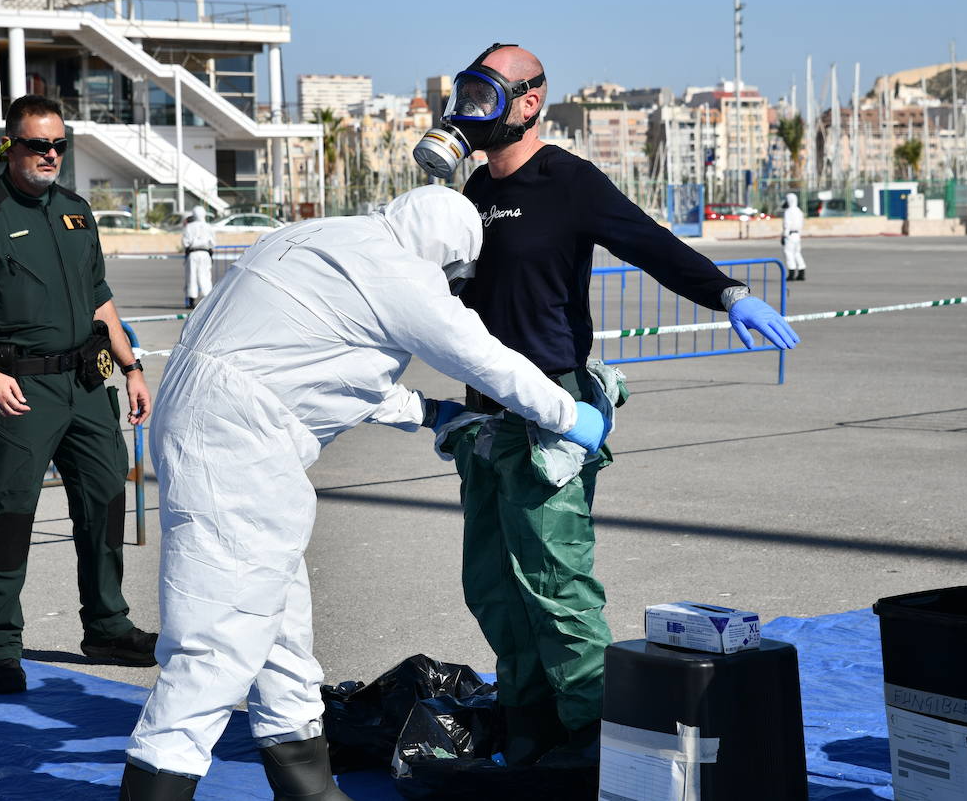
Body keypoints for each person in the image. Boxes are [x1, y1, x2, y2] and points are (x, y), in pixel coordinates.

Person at [119, 185, 611, 800]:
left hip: (215, 417)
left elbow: (325, 362)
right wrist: (570, 415)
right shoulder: (402, 274)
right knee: (218, 641)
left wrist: (428, 413)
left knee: (279, 627)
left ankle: (309, 788)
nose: (452, 284)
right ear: (445, 252)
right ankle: (156, 785)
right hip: (240, 439)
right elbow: (484, 359)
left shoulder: (319, 237)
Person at [411, 43, 801, 763]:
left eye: (487, 92)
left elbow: (649, 244)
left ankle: (596, 739)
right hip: (484, 419)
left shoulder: (569, 181)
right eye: (467, 90)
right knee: (493, 585)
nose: (471, 107)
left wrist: (730, 293)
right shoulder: (469, 195)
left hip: (550, 413)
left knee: (556, 585)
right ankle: (530, 725)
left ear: (531, 102)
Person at [0, 95, 156, 695]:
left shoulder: (75, 211)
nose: (49, 155)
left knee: (104, 503)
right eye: (36, 144)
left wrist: (130, 366)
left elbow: (99, 294)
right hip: (16, 390)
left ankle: (107, 627)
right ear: (10, 147)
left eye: (58, 145)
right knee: (8, 516)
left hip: (84, 383)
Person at [181, 206, 215, 308]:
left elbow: (185, 242)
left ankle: (191, 300)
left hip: (193, 253)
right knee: (205, 276)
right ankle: (207, 299)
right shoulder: (208, 227)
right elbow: (213, 242)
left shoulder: (189, 227)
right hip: (205, 254)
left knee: (191, 276)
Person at [782, 192, 806, 281]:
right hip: (797, 235)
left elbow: (787, 224)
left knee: (788, 252)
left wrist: (784, 235)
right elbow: (801, 223)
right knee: (797, 253)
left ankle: (791, 272)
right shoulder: (799, 211)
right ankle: (801, 271)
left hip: (790, 235)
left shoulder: (788, 212)